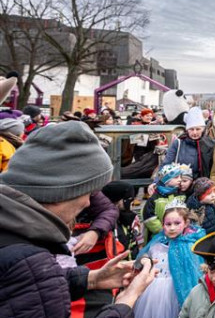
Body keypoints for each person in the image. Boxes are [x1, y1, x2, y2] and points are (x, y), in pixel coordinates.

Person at [0, 121, 157, 317]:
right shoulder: (30, 260)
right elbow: (32, 279)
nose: (88, 203)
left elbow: (25, 286)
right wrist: (126, 302)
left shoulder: (13, 238)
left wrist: (91, 279)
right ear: (63, 192)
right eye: (88, 192)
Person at [134, 203, 205, 317]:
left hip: (178, 290)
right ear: (163, 224)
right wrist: (145, 259)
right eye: (168, 224)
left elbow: (194, 272)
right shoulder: (157, 242)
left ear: (186, 223)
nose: (172, 228)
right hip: (154, 291)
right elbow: (145, 255)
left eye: (177, 223)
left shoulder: (190, 245)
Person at [161, 106, 215, 179]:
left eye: (198, 129)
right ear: (187, 130)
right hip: (181, 183)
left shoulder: (210, 143)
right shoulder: (178, 143)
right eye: (191, 129)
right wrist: (157, 182)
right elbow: (166, 164)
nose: (195, 132)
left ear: (203, 129)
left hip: (202, 184)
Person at [143, 163, 194, 237]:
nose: (180, 180)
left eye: (180, 177)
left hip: (179, 234)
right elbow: (149, 218)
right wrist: (163, 230)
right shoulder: (154, 198)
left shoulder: (181, 195)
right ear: (166, 180)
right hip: (159, 237)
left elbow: (186, 214)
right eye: (176, 177)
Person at [102, 181, 144, 258]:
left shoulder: (134, 218)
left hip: (133, 262)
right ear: (116, 200)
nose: (132, 202)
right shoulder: (106, 221)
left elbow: (140, 243)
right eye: (129, 198)